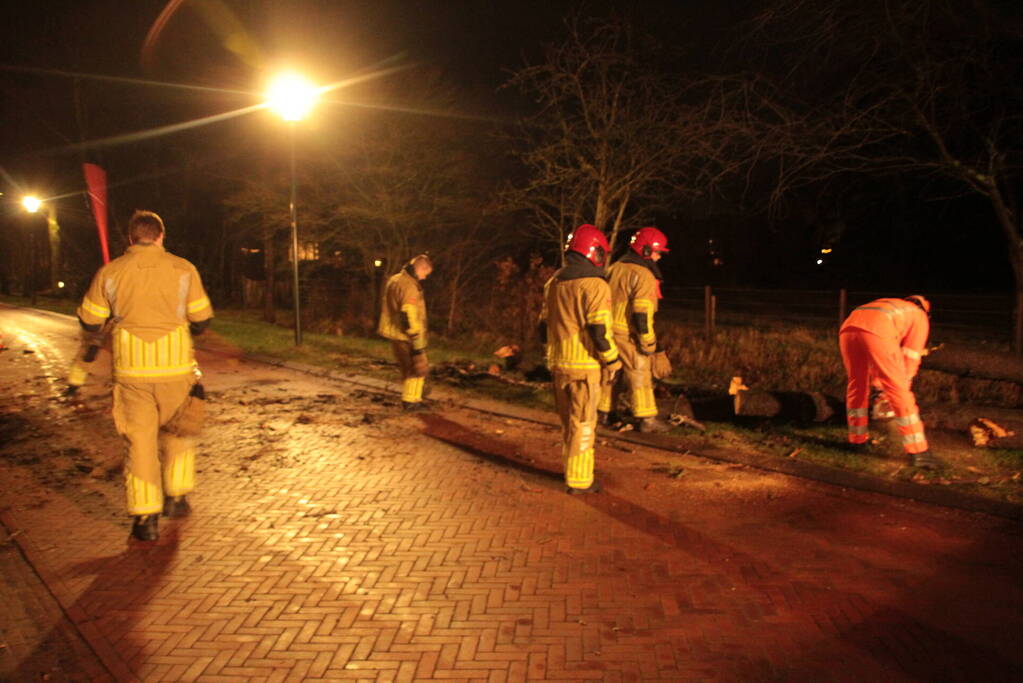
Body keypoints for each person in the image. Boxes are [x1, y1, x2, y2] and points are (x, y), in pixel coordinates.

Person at [75, 210, 213, 541]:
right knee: (179, 434)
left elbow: (90, 320)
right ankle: (177, 498)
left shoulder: (111, 271)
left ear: (130, 238)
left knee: (139, 444)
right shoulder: (183, 268)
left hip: (133, 373)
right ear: (161, 236)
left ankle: (145, 519)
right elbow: (202, 318)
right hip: (176, 370)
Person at [540, 225, 622, 494]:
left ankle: (571, 471)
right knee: (584, 425)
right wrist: (612, 361)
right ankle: (579, 480)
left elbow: (542, 327)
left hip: (558, 365)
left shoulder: (553, 283)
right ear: (594, 252)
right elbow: (599, 331)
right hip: (585, 368)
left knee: (568, 425)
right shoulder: (596, 286)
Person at [839, 295, 936, 468]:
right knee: (899, 390)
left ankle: (857, 441)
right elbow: (911, 356)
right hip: (877, 331)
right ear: (925, 310)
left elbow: (879, 353)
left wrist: (878, 386)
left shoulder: (893, 305)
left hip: (848, 329)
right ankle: (919, 452)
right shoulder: (919, 316)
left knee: (857, 385)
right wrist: (898, 387)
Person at [598, 226, 672, 432]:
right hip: (627, 334)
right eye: (658, 252)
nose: (659, 257)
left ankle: (603, 413)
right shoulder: (644, 275)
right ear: (646, 251)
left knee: (611, 373)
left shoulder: (614, 268)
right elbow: (641, 315)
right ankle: (646, 418)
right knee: (640, 371)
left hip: (606, 330)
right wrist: (650, 344)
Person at [378, 254, 433, 411]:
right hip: (406, 335)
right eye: (425, 274)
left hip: (396, 332)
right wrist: (416, 339)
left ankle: (416, 399)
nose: (424, 278)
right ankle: (410, 401)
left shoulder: (395, 279)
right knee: (415, 367)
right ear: (420, 268)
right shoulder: (409, 285)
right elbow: (408, 314)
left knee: (415, 367)